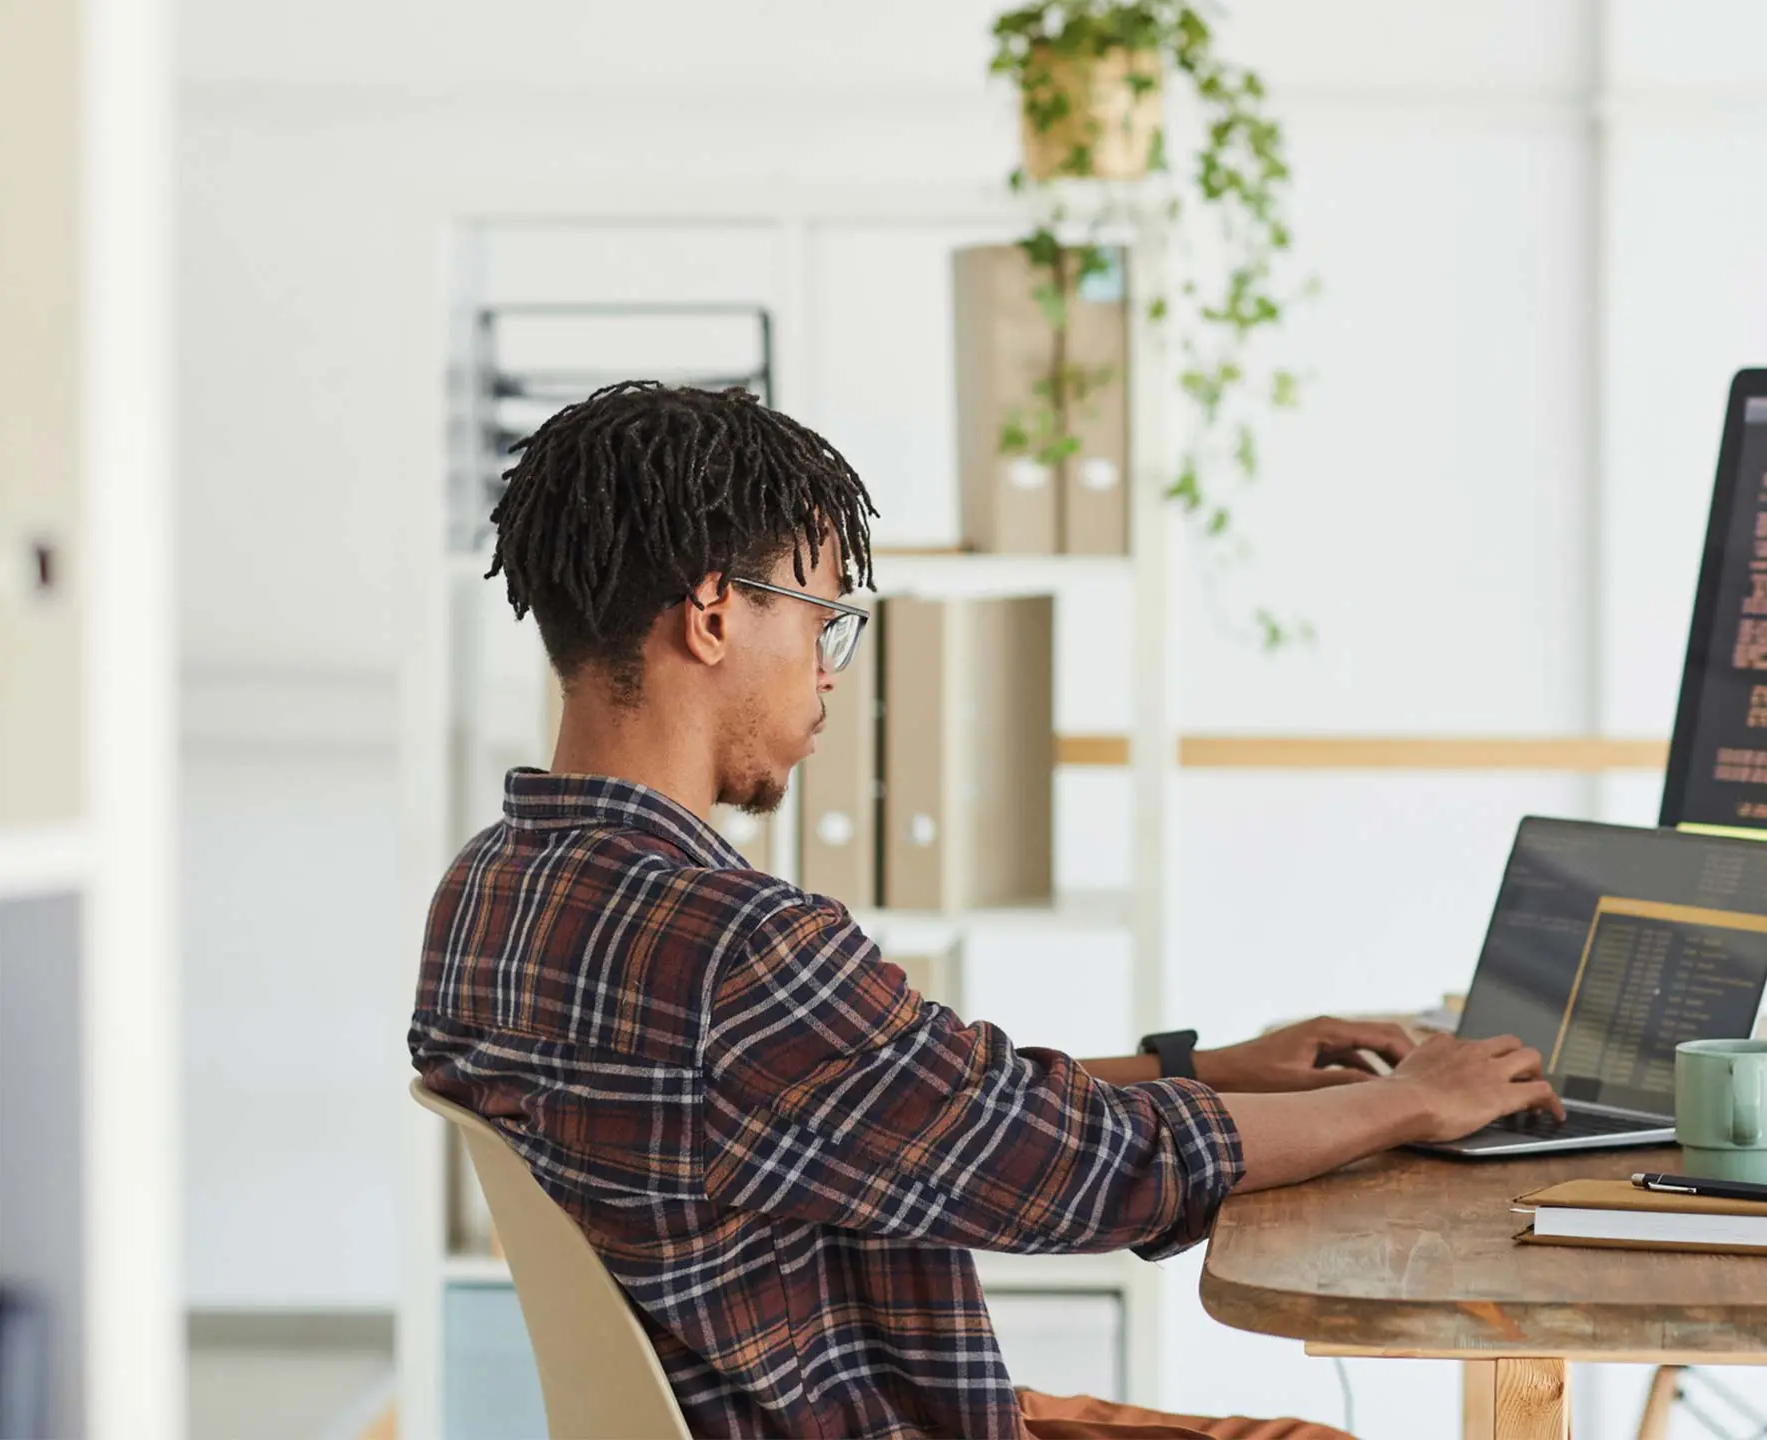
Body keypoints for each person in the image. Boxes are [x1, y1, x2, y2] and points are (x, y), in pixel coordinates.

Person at [410, 382, 1564, 1440]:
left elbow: (923, 1098)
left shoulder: (485, 894)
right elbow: (1075, 1170)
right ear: (714, 613)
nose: (827, 673)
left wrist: (1209, 1067)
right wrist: (1411, 1103)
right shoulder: (737, 947)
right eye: (820, 625)